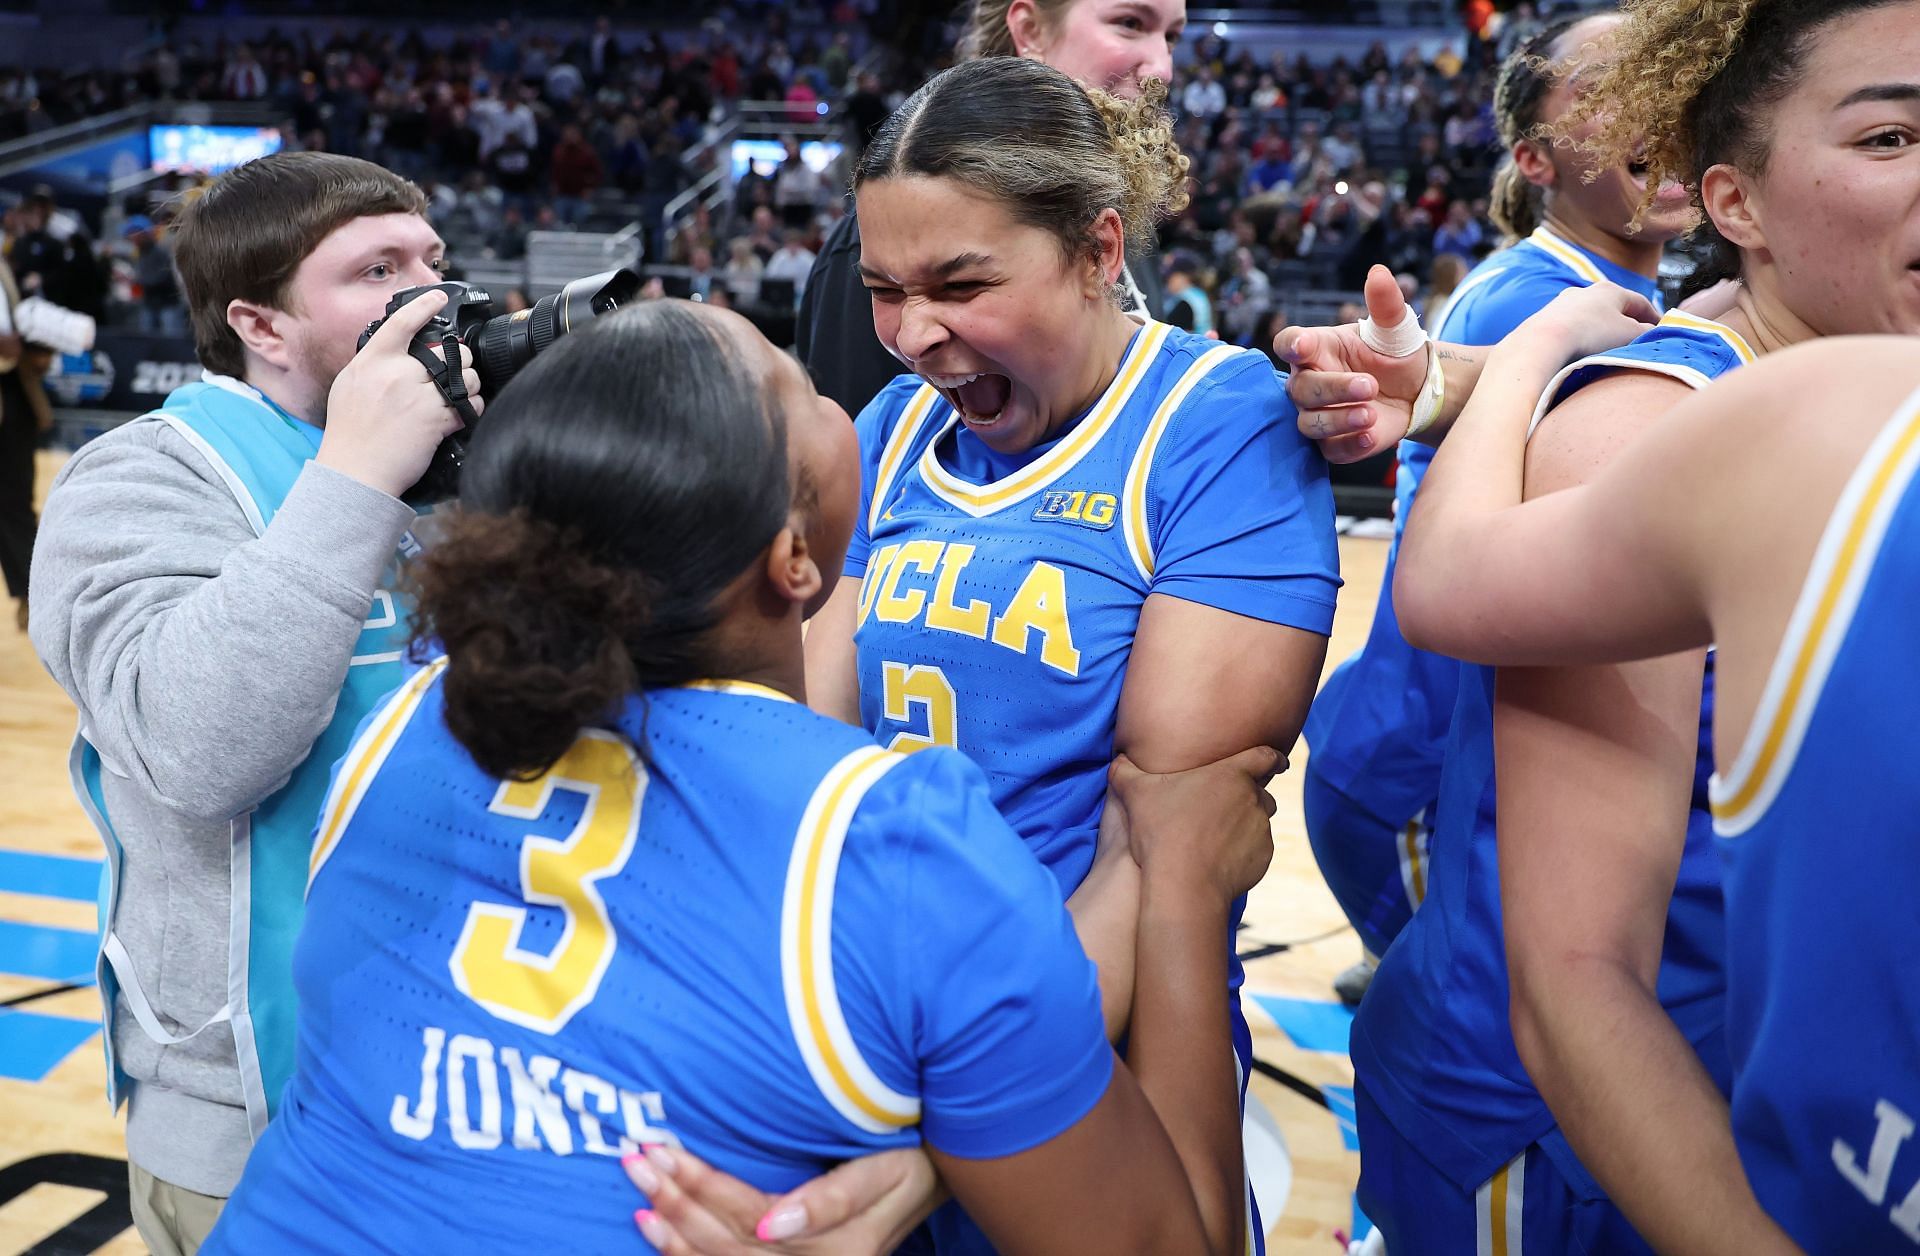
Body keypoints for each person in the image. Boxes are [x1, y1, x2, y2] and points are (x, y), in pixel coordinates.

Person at [203, 298, 1282, 1256]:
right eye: (803, 384)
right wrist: (1182, 883)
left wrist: (928, 1153)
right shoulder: (889, 832)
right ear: (795, 556)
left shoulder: (402, 722)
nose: (852, 387)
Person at [1281, 1, 1920, 1248]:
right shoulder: (1605, 360)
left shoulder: (1770, 368)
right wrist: (1509, 367)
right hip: (1574, 1121)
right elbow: (1445, 597)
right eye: (1891, 135)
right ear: (1735, 201)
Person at [804, 56, 1339, 1254]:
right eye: (887, 289)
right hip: (876, 1046)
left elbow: (1165, 843)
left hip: (1090, 1059)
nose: (912, 333)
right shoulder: (891, 436)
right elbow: (810, 756)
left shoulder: (1216, 428)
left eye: (961, 281)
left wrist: (943, 1128)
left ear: (1100, 251)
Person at [28, 151, 482, 1254]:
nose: (434, 294)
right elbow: (199, 746)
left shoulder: (461, 466)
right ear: (261, 324)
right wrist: (358, 475)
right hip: (253, 1119)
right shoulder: (140, 477)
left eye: (431, 258)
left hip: (472, 1065)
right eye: (377, 270)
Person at [1393, 317, 1920, 1256]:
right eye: (1883, 153)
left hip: (1727, 1095)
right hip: (1575, 1121)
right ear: (1736, 198)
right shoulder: (1688, 404)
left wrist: (1483, 373)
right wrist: (1524, 354)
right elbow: (1375, 743)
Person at [1297, 14, 1691, 1003]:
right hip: (1434, 776)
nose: (1657, 101)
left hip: (1426, 755)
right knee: (1506, 1053)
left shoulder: (1613, 292)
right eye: (1611, 86)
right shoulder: (1533, 302)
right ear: (1535, 156)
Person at [795, 0, 1184, 417]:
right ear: (1030, 30)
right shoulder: (889, 234)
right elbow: (864, 472)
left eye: (1172, 36)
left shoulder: (1115, 218)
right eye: (1129, 23)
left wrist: (1180, 392)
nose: (1163, 68)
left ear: (1103, 249)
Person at [0, 242, 51, 632]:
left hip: (14, 395)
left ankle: (33, 595)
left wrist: (36, 346)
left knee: (15, 501)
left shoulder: (7, 267)